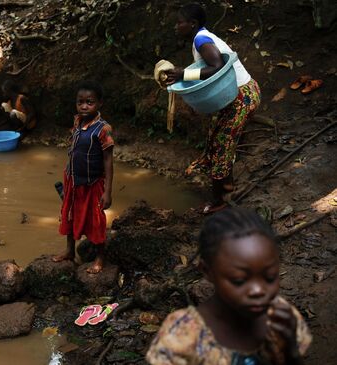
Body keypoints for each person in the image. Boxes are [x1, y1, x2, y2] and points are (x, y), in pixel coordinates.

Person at [146, 207, 312, 365]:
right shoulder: (181, 336)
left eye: (269, 277)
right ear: (207, 271)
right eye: (239, 280)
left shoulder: (281, 317)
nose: (258, 290)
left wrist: (290, 350)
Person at [165, 3, 261, 214]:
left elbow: (217, 66)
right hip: (238, 94)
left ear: (192, 24)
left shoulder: (201, 39)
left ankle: (220, 201)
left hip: (242, 97)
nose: (175, 26)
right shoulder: (201, 37)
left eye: (179, 22)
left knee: (221, 148)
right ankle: (225, 190)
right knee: (215, 138)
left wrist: (183, 75)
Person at [53, 81, 114, 274]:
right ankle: (70, 250)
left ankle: (100, 257)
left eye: (90, 102)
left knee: (96, 220)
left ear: (99, 104)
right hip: (72, 179)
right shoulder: (77, 121)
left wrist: (107, 191)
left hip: (93, 182)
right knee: (69, 214)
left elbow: (108, 160)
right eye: (80, 102)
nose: (84, 106)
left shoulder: (103, 129)